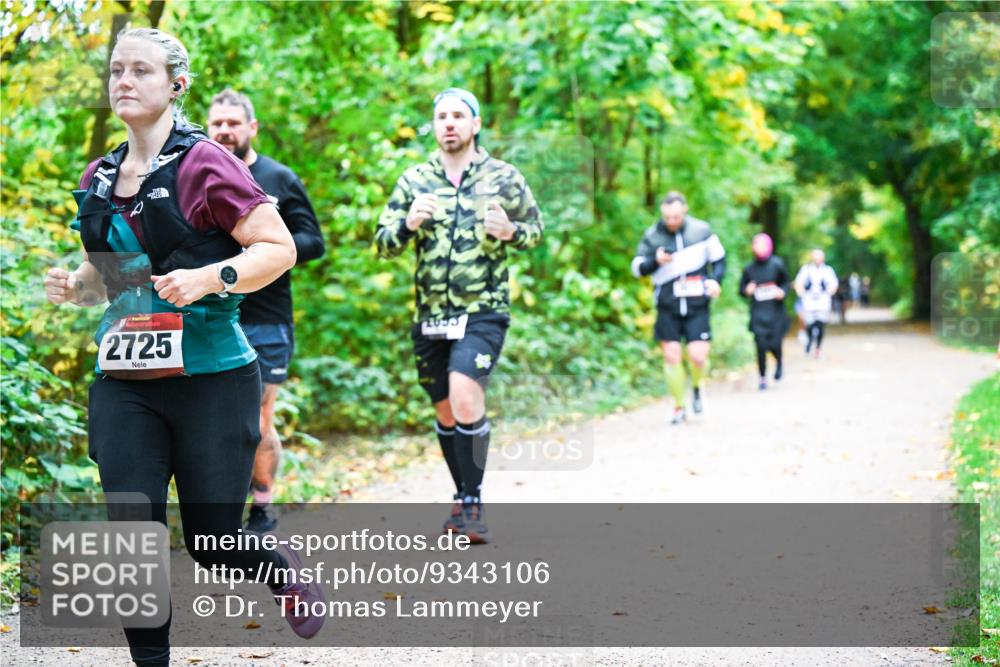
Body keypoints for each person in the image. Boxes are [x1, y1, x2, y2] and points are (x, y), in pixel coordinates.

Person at [43, 28, 324, 666]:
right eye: (117, 70)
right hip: (125, 385)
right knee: (132, 540)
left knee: (212, 544)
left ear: (177, 84)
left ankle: (281, 572)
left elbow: (277, 250)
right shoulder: (100, 174)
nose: (124, 82)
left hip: (212, 381)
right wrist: (76, 286)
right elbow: (110, 277)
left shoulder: (207, 164)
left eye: (141, 70)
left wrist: (209, 277)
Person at [375, 87, 542, 543]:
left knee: (465, 395)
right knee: (446, 412)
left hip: (483, 311)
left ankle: (473, 502)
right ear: (434, 125)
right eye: (441, 116)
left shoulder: (504, 178)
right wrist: (407, 224)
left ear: (476, 124)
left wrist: (510, 230)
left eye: (458, 116)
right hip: (430, 314)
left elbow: (535, 231)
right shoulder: (414, 180)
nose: (449, 123)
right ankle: (463, 493)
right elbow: (382, 243)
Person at [207, 88, 325, 534]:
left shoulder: (278, 178)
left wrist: (265, 248)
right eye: (218, 123)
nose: (225, 131)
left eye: (234, 123)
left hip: (267, 317)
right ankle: (220, 515)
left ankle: (261, 507)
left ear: (251, 128)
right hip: (212, 316)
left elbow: (313, 240)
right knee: (215, 419)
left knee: (257, 417)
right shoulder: (197, 177)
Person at [632, 191, 726, 424]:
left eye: (676, 216)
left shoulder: (702, 230)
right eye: (667, 217)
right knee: (671, 354)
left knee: (698, 356)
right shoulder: (652, 236)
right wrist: (656, 261)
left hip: (697, 304)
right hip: (667, 306)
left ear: (684, 210)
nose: (672, 221)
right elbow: (637, 268)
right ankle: (678, 406)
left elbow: (720, 259)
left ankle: (696, 387)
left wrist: (715, 280)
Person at [739, 233, 790, 390]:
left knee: (775, 343)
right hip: (758, 313)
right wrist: (747, 290)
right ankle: (762, 377)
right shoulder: (749, 268)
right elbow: (741, 290)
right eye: (756, 244)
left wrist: (781, 291)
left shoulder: (777, 264)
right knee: (760, 346)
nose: (759, 248)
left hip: (776, 313)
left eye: (762, 244)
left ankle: (779, 361)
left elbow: (787, 282)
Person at [794, 249, 839, 358]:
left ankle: (818, 347)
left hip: (823, 301)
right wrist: (802, 293)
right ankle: (810, 341)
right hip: (809, 301)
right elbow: (798, 283)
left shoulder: (828, 270)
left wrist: (829, 292)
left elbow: (833, 284)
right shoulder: (806, 269)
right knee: (809, 324)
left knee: (820, 324)